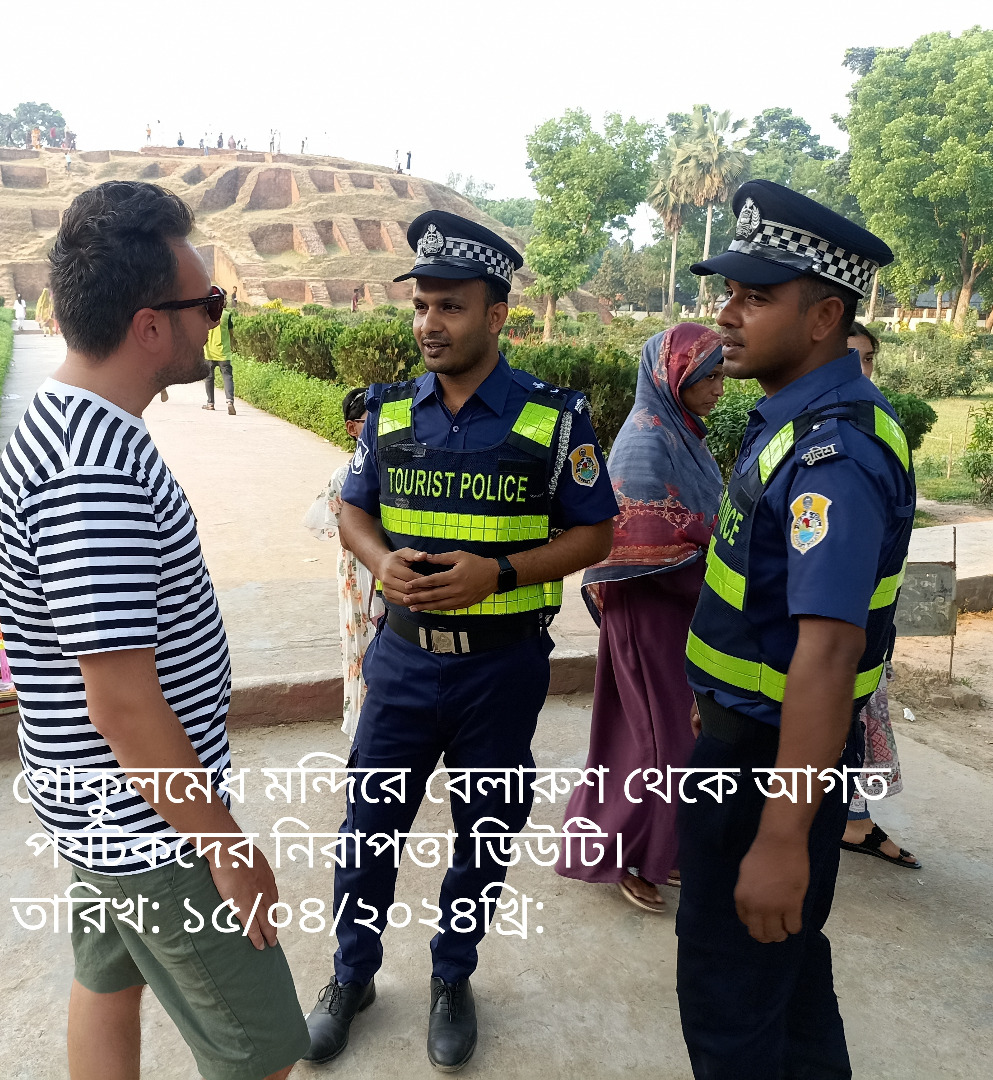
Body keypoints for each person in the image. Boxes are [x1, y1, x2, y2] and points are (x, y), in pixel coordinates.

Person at [0, 180, 309, 1080]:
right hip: (149, 827)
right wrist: (225, 846)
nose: (213, 322)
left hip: (98, 807)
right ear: (149, 327)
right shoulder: (90, 472)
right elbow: (123, 703)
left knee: (107, 985)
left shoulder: (66, 422)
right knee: (262, 1055)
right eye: (208, 305)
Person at [301, 210, 617, 1071]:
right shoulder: (387, 412)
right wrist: (379, 561)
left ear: (496, 315)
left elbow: (595, 533)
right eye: (420, 306)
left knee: (483, 834)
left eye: (450, 307)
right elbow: (350, 509)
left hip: (500, 671)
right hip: (403, 661)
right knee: (368, 831)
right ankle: (351, 975)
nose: (429, 324)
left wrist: (500, 573)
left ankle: (452, 976)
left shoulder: (555, 420)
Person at [677, 179, 915, 1079]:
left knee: (730, 1009)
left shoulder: (832, 454)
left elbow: (828, 651)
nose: (725, 315)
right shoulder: (795, 421)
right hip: (749, 747)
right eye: (729, 293)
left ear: (822, 318)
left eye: (755, 297)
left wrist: (782, 838)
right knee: (785, 986)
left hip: (766, 772)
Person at [557, 323, 725, 913]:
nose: (718, 389)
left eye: (721, 376)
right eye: (708, 377)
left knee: (665, 736)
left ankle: (659, 848)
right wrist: (706, 559)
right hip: (648, 609)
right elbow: (634, 541)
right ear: (673, 376)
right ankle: (623, 855)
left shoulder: (684, 434)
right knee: (652, 738)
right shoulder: (645, 441)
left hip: (681, 611)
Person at [840, 322, 920, 868]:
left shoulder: (878, 427)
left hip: (871, 619)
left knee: (862, 720)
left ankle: (854, 819)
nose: (860, 370)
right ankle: (844, 822)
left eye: (867, 358)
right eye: (850, 357)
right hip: (831, 624)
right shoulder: (825, 431)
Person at [304, 387, 384, 740]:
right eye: (372, 422)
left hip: (392, 571)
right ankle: (365, 730)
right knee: (365, 644)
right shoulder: (345, 476)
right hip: (363, 574)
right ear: (353, 429)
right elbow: (339, 532)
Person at [202, 286, 237, 413]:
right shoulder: (226, 315)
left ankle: (210, 403)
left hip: (209, 352)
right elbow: (231, 333)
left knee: (209, 378)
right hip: (224, 353)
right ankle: (229, 401)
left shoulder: (205, 315)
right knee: (227, 377)